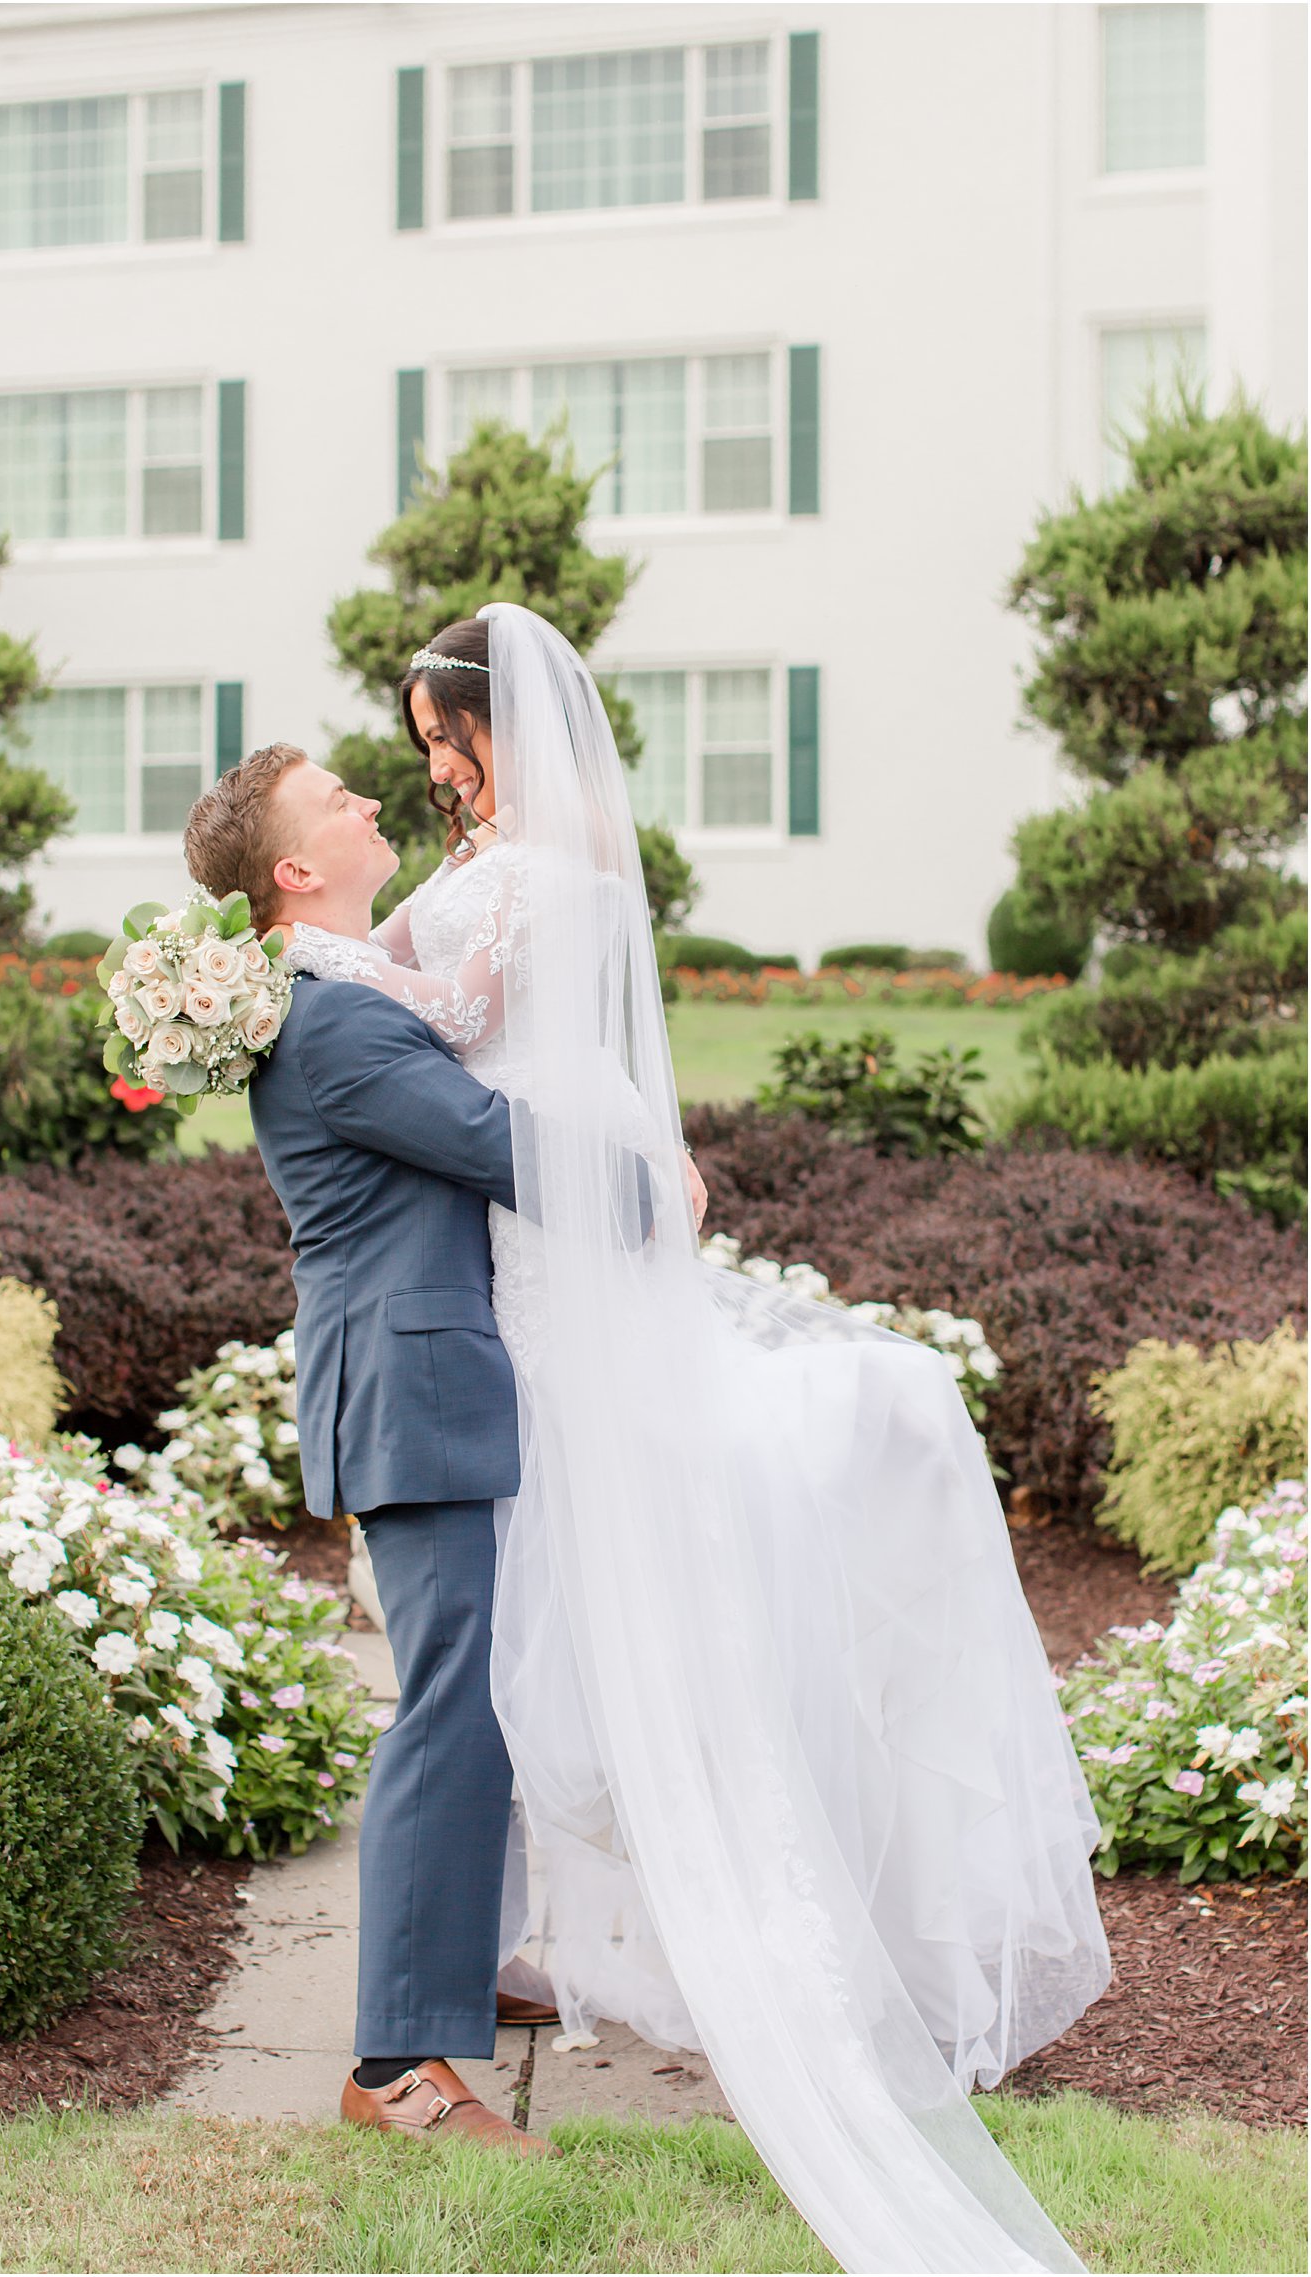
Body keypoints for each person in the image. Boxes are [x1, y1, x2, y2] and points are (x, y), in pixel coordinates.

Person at [267, 603, 1112, 2275]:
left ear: (501, 725)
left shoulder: (498, 895)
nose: (424, 773)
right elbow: (445, 1073)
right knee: (505, 1643)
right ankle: (452, 1988)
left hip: (518, 1287)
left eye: (443, 739)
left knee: (534, 1627)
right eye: (407, 755)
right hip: (488, 1299)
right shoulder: (403, 935)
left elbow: (468, 1047)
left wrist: (302, 967)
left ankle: (467, 1980)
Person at [180, 743, 680, 2161]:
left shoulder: (344, 986)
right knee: (450, 1706)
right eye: (335, 799)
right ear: (293, 871)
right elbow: (492, 1139)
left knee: (489, 1683)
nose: (366, 803)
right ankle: (398, 2059)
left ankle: (476, 1969)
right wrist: (656, 1180)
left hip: (436, 1381)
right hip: (416, 1392)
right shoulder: (329, 1021)